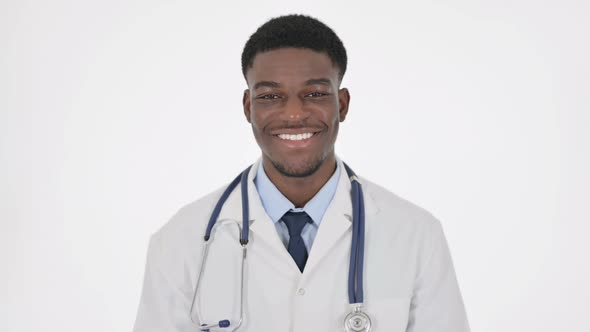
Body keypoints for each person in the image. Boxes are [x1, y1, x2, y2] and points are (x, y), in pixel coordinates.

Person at [133, 14, 470, 332]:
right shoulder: (181, 242)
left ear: (343, 104)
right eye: (270, 96)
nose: (294, 114)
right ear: (249, 107)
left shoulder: (416, 235)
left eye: (314, 94)